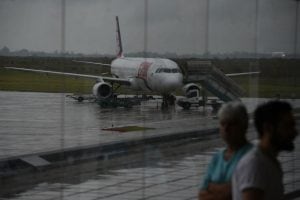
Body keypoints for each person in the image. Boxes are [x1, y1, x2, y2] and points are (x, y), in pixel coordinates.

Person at [232, 100, 298, 200]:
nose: (295, 132)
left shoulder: (267, 160)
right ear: (268, 128)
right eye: (288, 126)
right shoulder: (255, 165)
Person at [198, 101, 253, 200]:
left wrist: (213, 187)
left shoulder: (251, 156)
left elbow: (235, 194)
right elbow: (201, 195)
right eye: (223, 124)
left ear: (244, 125)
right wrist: (227, 189)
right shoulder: (217, 157)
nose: (226, 129)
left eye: (231, 124)